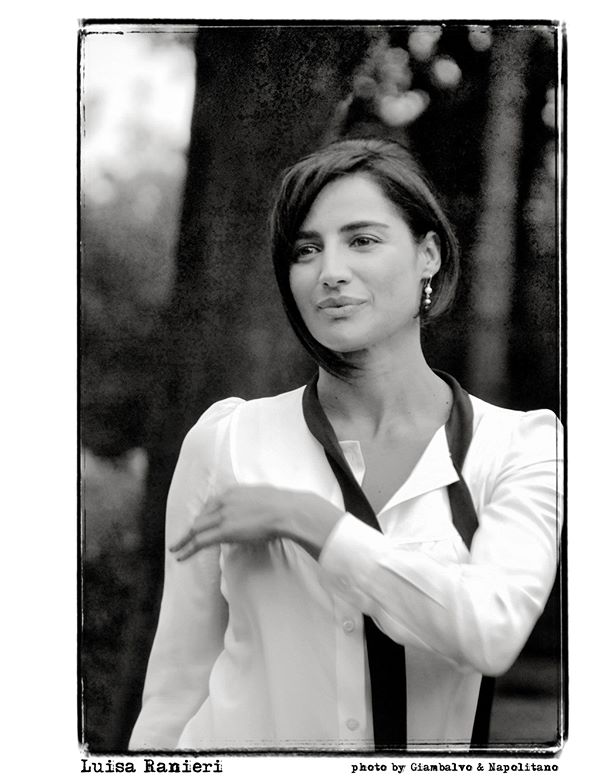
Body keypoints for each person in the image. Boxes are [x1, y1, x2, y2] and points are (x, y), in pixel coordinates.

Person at [129, 138, 563, 752]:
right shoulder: (227, 441)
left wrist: (311, 522)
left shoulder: (519, 447)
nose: (330, 270)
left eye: (362, 239)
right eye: (307, 250)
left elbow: (492, 629)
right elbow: (176, 687)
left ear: (428, 255)